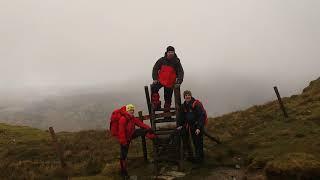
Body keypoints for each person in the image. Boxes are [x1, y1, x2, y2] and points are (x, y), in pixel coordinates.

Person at [110, 104, 156, 177]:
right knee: (123, 156)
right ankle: (123, 172)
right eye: (130, 110)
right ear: (127, 111)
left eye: (132, 110)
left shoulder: (132, 118)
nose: (132, 111)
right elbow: (121, 132)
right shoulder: (123, 119)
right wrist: (124, 142)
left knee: (144, 130)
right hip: (124, 139)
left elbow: (140, 124)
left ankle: (152, 137)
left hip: (131, 134)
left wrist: (149, 128)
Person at [151, 46, 184, 111]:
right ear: (167, 52)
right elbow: (155, 69)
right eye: (169, 52)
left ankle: (167, 112)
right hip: (161, 80)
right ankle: (156, 104)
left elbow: (180, 72)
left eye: (172, 52)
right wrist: (155, 78)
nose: (171, 53)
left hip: (170, 82)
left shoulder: (176, 62)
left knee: (168, 98)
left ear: (174, 53)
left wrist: (179, 82)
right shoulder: (161, 60)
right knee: (154, 88)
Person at [177, 90, 206, 163]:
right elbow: (181, 116)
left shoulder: (196, 104)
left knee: (198, 142)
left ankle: (199, 159)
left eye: (188, 95)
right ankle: (196, 158)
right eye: (186, 95)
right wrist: (180, 125)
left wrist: (199, 128)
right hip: (190, 126)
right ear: (184, 97)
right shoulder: (183, 106)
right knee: (194, 141)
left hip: (197, 126)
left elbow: (201, 116)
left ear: (191, 96)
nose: (187, 96)